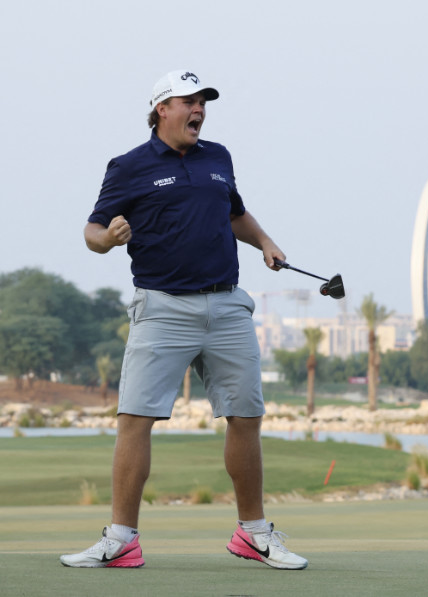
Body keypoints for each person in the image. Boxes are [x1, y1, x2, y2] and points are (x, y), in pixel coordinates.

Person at [60, 70, 308, 570]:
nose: (199, 110)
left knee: (246, 416)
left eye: (203, 102)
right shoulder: (129, 166)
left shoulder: (218, 157)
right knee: (135, 418)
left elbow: (234, 213)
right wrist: (108, 238)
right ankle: (122, 539)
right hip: (163, 307)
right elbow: (91, 229)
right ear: (161, 111)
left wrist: (266, 243)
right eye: (188, 101)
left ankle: (253, 535)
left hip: (226, 305)